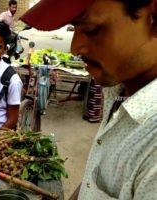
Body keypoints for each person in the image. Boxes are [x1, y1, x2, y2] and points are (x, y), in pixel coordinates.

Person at [21, 0, 157, 199]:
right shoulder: (119, 91)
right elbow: (93, 180)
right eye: (74, 28)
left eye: (93, 29)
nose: (75, 48)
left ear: (153, 17)